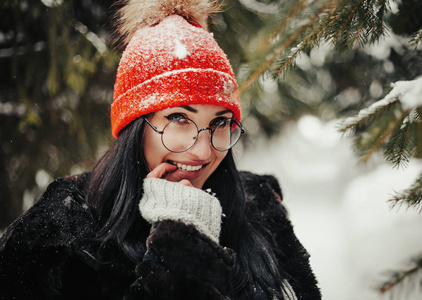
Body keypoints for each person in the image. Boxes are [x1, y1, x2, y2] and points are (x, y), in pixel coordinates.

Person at [0, 0, 321, 299]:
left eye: (220, 123)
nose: (203, 151)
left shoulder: (258, 206)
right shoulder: (60, 229)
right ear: (134, 126)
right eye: (179, 118)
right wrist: (180, 258)